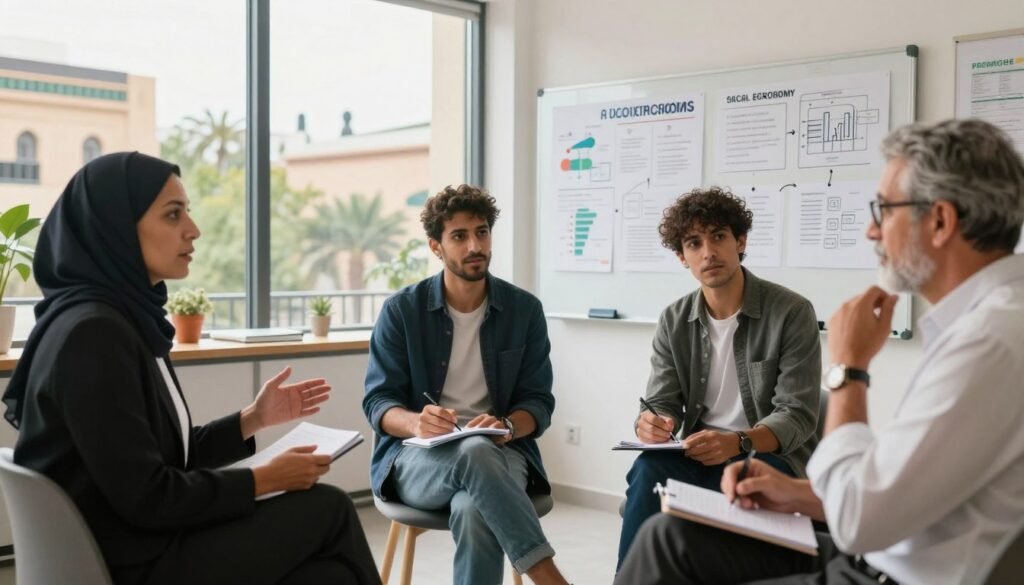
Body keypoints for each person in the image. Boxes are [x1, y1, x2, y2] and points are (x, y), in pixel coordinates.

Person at [615, 118, 1024, 585]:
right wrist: (795, 494)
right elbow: (903, 486)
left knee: (668, 546)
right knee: (666, 537)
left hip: (887, 571)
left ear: (940, 221)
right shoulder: (986, 325)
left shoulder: (987, 343)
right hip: (889, 550)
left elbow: (857, 516)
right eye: (694, 243)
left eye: (884, 210)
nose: (871, 232)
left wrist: (849, 369)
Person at [1, 152, 380, 585]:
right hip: (133, 563)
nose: (193, 229)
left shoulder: (117, 320)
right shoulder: (94, 336)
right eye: (172, 214)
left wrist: (254, 418)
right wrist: (262, 479)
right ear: (116, 227)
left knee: (329, 576)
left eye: (188, 211)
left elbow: (163, 459)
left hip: (142, 542)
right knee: (328, 507)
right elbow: (150, 496)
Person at [363, 184, 570, 585]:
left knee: (475, 509)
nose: (475, 245)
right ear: (436, 247)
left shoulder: (524, 310)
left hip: (502, 451)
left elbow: (538, 402)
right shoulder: (402, 311)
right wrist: (416, 423)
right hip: (417, 460)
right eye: (459, 236)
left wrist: (507, 426)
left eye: (482, 232)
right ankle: (549, 578)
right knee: (473, 451)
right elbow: (378, 401)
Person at [617, 186, 821, 567]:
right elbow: (661, 400)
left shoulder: (792, 312)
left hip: (768, 457)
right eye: (694, 243)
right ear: (682, 257)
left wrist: (738, 441)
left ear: (740, 241)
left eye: (718, 236)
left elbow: (796, 415)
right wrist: (654, 423)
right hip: (698, 454)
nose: (708, 252)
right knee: (646, 469)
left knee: (746, 497)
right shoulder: (673, 320)